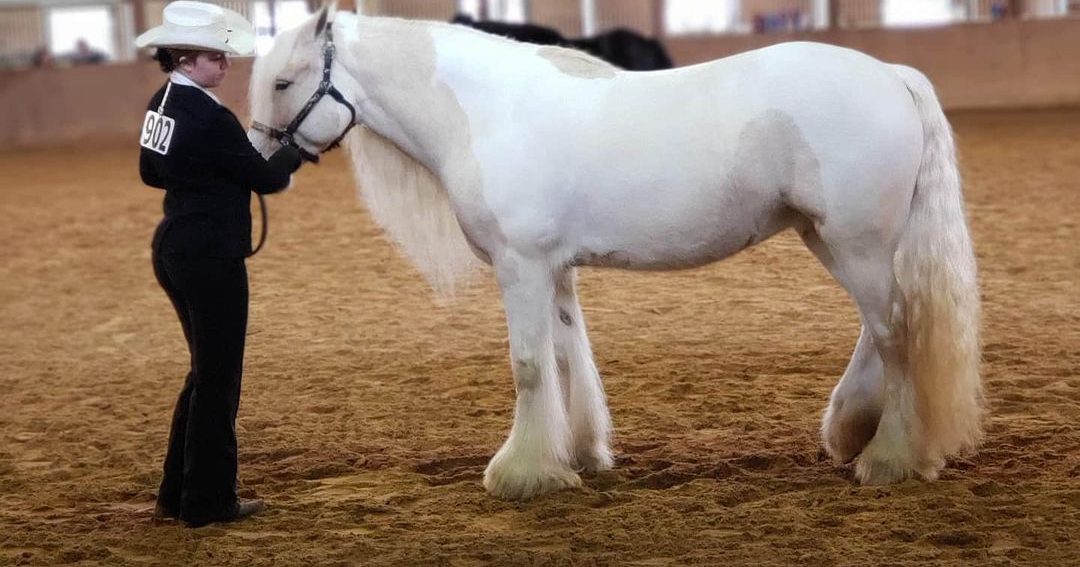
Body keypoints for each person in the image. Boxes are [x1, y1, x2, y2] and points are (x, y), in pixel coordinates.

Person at [135, 1, 302, 528]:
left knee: (204, 373)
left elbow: (150, 173)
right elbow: (269, 179)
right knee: (219, 379)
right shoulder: (211, 117)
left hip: (175, 246)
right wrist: (296, 150)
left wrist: (206, 180)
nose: (225, 65)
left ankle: (176, 494)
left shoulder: (160, 103)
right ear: (186, 58)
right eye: (216, 57)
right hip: (210, 256)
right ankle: (208, 503)